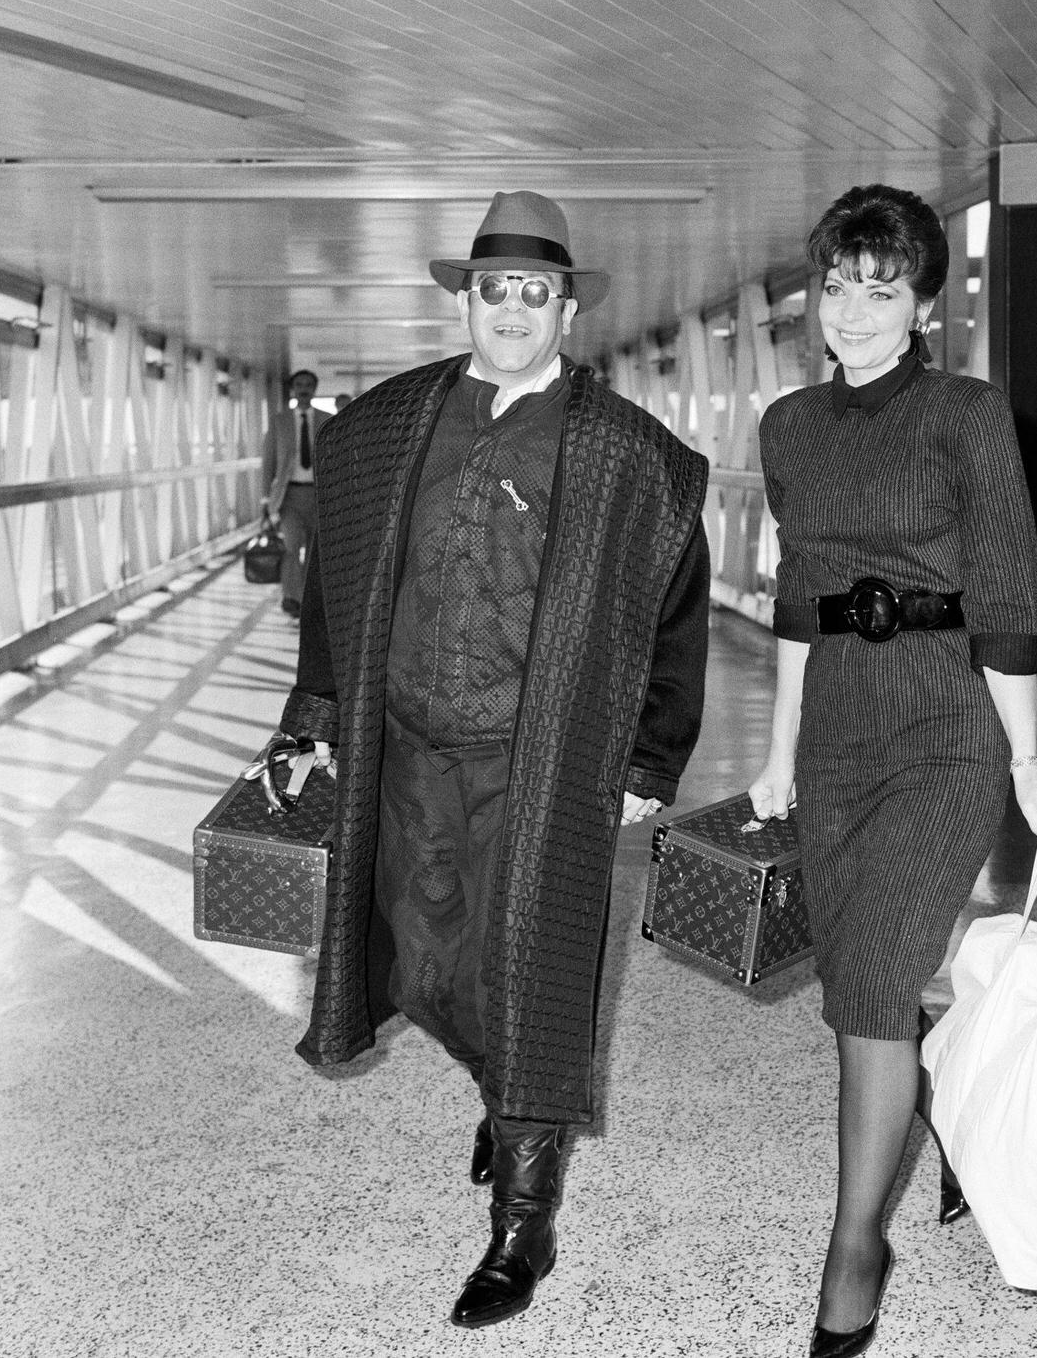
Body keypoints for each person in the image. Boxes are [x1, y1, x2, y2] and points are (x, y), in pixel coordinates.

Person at [274, 190, 710, 1330]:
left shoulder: (629, 457)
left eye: (535, 292)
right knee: (425, 957)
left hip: (543, 760)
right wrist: (309, 716)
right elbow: (337, 580)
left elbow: (675, 617)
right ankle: (503, 1090)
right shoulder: (385, 428)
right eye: (492, 289)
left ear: (567, 310)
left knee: (525, 969)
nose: (512, 310)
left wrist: (650, 758)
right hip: (410, 746)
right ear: (465, 300)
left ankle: (523, 1222)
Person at [747, 184, 1037, 1358]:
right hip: (835, 727)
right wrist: (778, 749)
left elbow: (1005, 596)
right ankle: (943, 1129)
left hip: (945, 730)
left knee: (876, 981)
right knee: (860, 980)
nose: (851, 310)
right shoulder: (786, 427)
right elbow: (792, 598)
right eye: (836, 285)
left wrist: (1028, 760)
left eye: (878, 289)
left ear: (923, 299)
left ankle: (852, 1250)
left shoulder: (964, 414)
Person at [262, 368, 324, 618]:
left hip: (319, 496)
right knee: (290, 547)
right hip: (289, 497)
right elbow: (268, 462)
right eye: (299, 384)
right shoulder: (280, 421)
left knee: (314, 551)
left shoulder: (326, 419)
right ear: (293, 389)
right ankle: (291, 597)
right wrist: (265, 499)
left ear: (315, 389)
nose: (304, 388)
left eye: (309, 384)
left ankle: (309, 599)